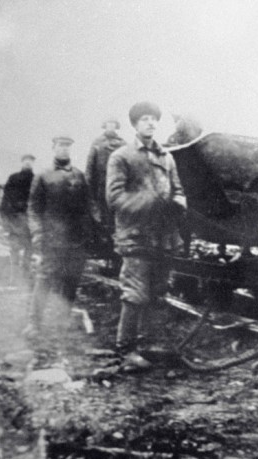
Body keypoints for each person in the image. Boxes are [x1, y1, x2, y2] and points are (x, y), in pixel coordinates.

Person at [106, 101, 187, 371]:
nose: (151, 123)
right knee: (135, 294)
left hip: (163, 237)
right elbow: (115, 197)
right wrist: (149, 201)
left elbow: (178, 189)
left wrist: (178, 202)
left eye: (154, 119)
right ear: (135, 124)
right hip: (136, 236)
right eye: (145, 120)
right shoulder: (122, 156)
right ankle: (126, 351)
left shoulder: (167, 157)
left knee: (158, 293)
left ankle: (148, 345)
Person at [26, 136, 91, 338]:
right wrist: (37, 233)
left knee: (72, 280)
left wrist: (88, 233)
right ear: (53, 148)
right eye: (60, 146)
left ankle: (63, 321)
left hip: (75, 240)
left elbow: (87, 208)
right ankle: (34, 323)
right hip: (51, 239)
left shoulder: (79, 176)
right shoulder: (43, 175)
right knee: (44, 279)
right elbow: (34, 209)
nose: (64, 149)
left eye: (67, 146)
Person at [85, 117, 126, 259]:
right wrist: (89, 187)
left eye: (113, 124)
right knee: (101, 219)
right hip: (100, 188)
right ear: (105, 126)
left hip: (118, 187)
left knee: (117, 219)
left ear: (116, 126)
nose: (111, 127)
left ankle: (116, 254)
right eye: (108, 124)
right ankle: (102, 252)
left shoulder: (123, 144)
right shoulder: (97, 143)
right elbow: (90, 167)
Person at [0, 154, 36, 285]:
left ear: (33, 163)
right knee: (14, 250)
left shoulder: (36, 179)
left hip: (29, 222)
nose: (28, 163)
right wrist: (6, 223)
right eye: (25, 160)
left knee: (29, 251)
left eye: (30, 161)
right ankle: (13, 278)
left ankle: (25, 277)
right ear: (22, 162)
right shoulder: (13, 178)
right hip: (15, 221)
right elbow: (5, 201)